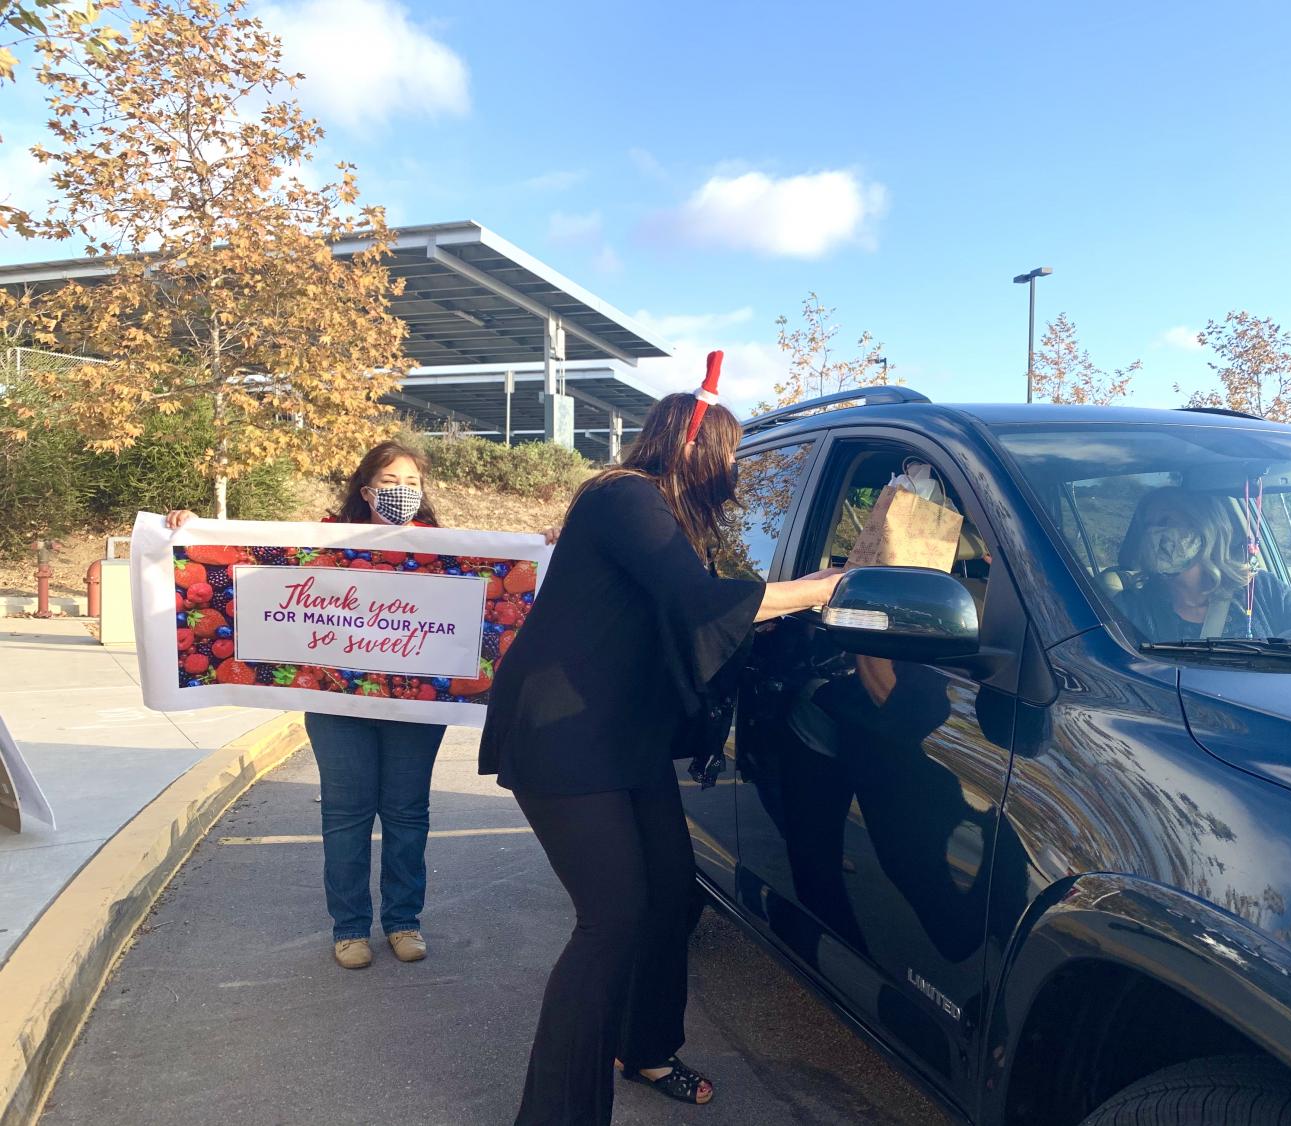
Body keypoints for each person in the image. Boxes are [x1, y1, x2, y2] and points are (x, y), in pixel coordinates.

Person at [478, 389, 842, 1124]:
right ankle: (556, 1113)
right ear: (692, 448)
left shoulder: (662, 513)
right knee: (609, 920)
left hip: (622, 736)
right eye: (730, 455)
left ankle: (644, 1047)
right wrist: (820, 590)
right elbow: (694, 603)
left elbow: (686, 619)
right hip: (564, 737)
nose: (734, 471)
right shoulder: (624, 497)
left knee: (671, 891)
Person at [166, 440, 448, 971]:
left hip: (414, 704)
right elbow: (255, 561)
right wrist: (194, 530)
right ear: (365, 491)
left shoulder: (450, 551)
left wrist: (542, 544)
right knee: (347, 814)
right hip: (336, 701)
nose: (402, 492)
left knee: (408, 814)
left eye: (412, 483)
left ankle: (404, 921)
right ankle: (349, 929)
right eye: (390, 482)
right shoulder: (323, 541)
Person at [1112, 486, 1291, 641]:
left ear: (1204, 528)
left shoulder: (1261, 589)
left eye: (1167, 521)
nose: (1156, 533)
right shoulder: (1133, 607)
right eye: (1148, 526)